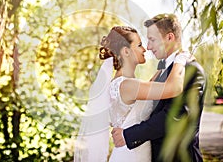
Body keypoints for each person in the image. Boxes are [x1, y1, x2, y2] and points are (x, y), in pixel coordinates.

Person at [74, 25, 193, 162]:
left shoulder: (126, 84)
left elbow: (146, 91)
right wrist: (181, 59)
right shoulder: (127, 85)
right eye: (139, 45)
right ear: (126, 51)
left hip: (132, 152)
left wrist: (164, 65)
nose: (144, 49)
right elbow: (173, 88)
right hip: (132, 156)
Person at [112, 14, 206, 162]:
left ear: (169, 37)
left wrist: (128, 135)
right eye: (143, 43)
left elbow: (173, 116)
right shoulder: (167, 70)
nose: (148, 47)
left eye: (152, 40)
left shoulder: (190, 69)